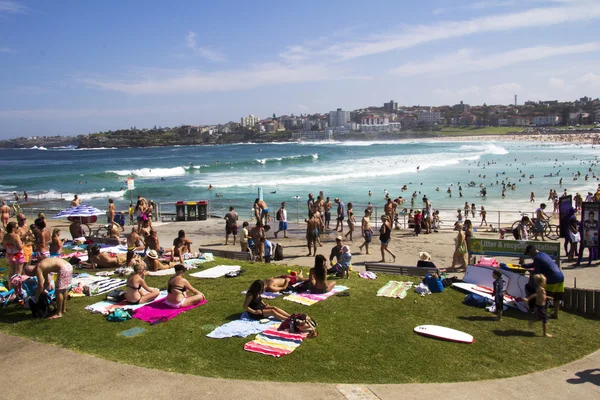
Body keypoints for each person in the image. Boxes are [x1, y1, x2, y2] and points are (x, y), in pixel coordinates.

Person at [524, 245, 564, 319]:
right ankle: (556, 313)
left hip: (552, 278)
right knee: (557, 297)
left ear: (532, 250)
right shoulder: (544, 254)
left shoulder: (537, 258)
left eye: (529, 253)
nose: (530, 256)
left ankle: (542, 315)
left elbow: (536, 273)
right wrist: (525, 266)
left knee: (544, 297)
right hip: (560, 276)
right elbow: (535, 264)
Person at [2, 222, 24, 290]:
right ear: (13, 228)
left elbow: (4, 246)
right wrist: (24, 243)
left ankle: (10, 288)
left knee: (11, 272)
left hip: (9, 255)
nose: (17, 229)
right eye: (16, 227)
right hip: (17, 255)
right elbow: (20, 247)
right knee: (18, 272)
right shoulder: (15, 236)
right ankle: (17, 290)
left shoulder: (5, 236)